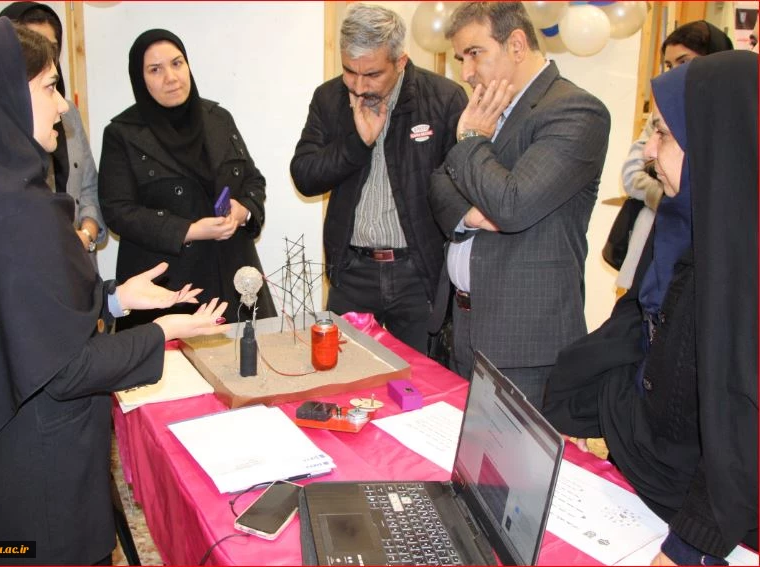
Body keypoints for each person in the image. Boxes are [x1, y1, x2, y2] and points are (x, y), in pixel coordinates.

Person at [0, 19, 229, 565]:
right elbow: (65, 368)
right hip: (38, 492)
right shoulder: (19, 214)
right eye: (49, 87)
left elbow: (16, 317)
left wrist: (114, 298)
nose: (62, 106)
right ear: (4, 98)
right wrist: (164, 332)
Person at [543, 50, 758, 564]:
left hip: (716, 526)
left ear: (714, 141)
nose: (648, 153)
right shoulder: (683, 221)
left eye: (662, 133)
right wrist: (583, 410)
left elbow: (743, 425)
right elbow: (639, 334)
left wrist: (691, 546)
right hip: (645, 484)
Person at [428, 2, 610, 408]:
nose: (466, 72)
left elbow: (513, 205)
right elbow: (439, 182)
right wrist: (471, 214)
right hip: (461, 323)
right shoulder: (485, 107)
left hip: (523, 343)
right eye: (460, 58)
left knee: (512, 454)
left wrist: (471, 140)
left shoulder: (575, 110)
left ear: (516, 45)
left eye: (474, 53)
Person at [290, 3, 467, 354]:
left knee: (417, 379)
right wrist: (357, 143)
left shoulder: (444, 98)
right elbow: (305, 176)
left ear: (400, 62)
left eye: (372, 74)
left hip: (418, 273)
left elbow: (460, 187)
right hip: (352, 270)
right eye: (348, 71)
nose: (358, 86)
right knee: (344, 373)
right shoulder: (329, 98)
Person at [99, 29, 275, 329]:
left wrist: (243, 210)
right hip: (170, 288)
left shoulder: (219, 118)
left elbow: (253, 180)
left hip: (235, 279)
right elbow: (118, 211)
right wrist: (189, 230)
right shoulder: (122, 134)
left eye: (177, 63)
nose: (171, 77)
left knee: (249, 355)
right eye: (155, 69)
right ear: (139, 78)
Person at [615, 21, 732, 289]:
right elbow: (632, 172)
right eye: (669, 65)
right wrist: (669, 198)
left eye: (684, 61)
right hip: (652, 249)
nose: (675, 72)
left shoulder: (729, 120)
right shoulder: (663, 112)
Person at [0, 1, 107, 265]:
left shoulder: (66, 111)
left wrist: (85, 235)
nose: (46, 57)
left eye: (52, 48)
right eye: (33, 46)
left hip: (79, 265)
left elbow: (89, 186)